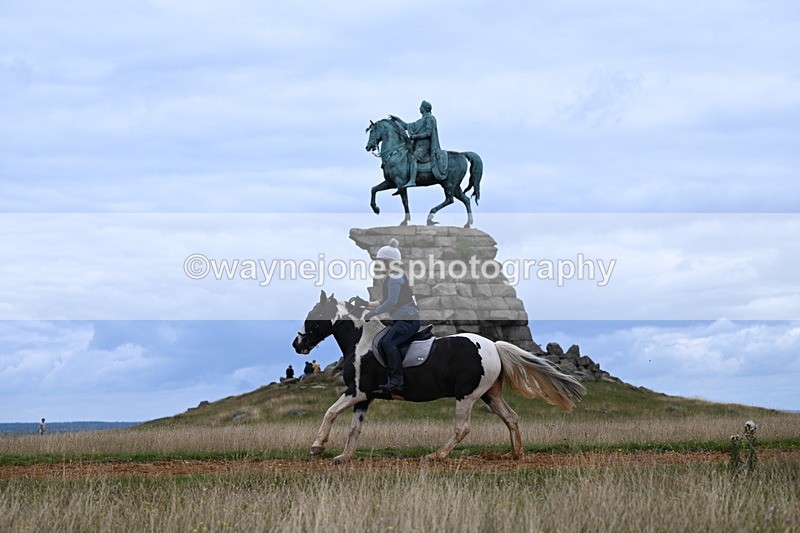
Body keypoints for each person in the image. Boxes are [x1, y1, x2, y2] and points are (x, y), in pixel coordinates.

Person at [365, 238, 420, 394]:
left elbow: (391, 302)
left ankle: (396, 382)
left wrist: (375, 312)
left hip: (407, 320)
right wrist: (365, 304)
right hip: (405, 319)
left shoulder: (394, 278)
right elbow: (384, 301)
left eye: (380, 262)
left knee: (388, 343)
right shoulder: (393, 277)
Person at [389, 100, 448, 189]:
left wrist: (416, 136)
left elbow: (428, 133)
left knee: (414, 158)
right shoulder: (420, 121)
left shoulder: (429, 118)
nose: (419, 108)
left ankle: (412, 180)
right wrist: (398, 120)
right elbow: (407, 126)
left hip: (425, 147)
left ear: (425, 108)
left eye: (421, 107)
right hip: (418, 146)